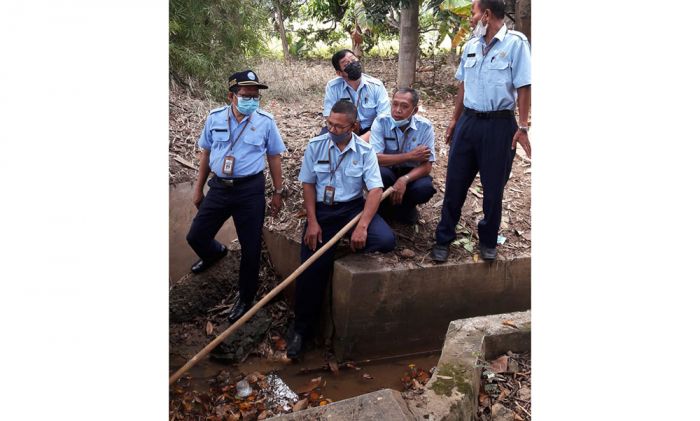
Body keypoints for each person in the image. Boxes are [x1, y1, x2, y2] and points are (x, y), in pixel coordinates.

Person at [287, 100, 396, 359]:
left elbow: (376, 191)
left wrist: (362, 226)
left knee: (386, 240)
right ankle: (301, 329)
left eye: (339, 126)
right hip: (324, 212)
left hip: (352, 210)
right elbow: (308, 185)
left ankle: (341, 246)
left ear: (354, 126)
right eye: (329, 124)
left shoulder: (364, 151)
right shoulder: (316, 146)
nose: (332, 129)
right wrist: (313, 221)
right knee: (312, 266)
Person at [430, 0, 531, 262]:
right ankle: (444, 238)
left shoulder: (516, 44)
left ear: (486, 15)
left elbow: (523, 87)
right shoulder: (471, 46)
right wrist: (454, 120)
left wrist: (522, 126)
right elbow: (463, 86)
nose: (471, 19)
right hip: (469, 122)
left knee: (494, 186)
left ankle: (488, 240)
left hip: (500, 126)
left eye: (473, 13)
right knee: (455, 182)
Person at [186, 70, 286, 324]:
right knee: (196, 236)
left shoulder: (265, 121)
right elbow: (206, 154)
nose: (251, 100)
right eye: (246, 95)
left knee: (251, 249)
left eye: (255, 96)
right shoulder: (214, 118)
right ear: (231, 95)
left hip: (250, 191)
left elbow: (274, 156)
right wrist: (198, 189)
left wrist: (277, 191)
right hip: (220, 187)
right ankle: (214, 253)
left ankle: (245, 298)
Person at [369, 88, 437, 225]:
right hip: (387, 170)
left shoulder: (425, 127)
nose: (397, 110)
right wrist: (410, 156)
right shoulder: (381, 122)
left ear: (415, 110)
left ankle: (406, 206)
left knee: (424, 188)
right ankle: (383, 206)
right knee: (381, 175)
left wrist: (404, 179)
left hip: (410, 173)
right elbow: (375, 158)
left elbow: (427, 165)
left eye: (404, 106)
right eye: (394, 104)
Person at [322, 49, 391, 142]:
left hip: (371, 130)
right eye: (346, 64)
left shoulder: (376, 86)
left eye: (353, 60)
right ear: (339, 73)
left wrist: (360, 141)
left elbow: (384, 118)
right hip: (343, 129)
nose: (352, 64)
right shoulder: (333, 87)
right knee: (322, 143)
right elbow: (329, 116)